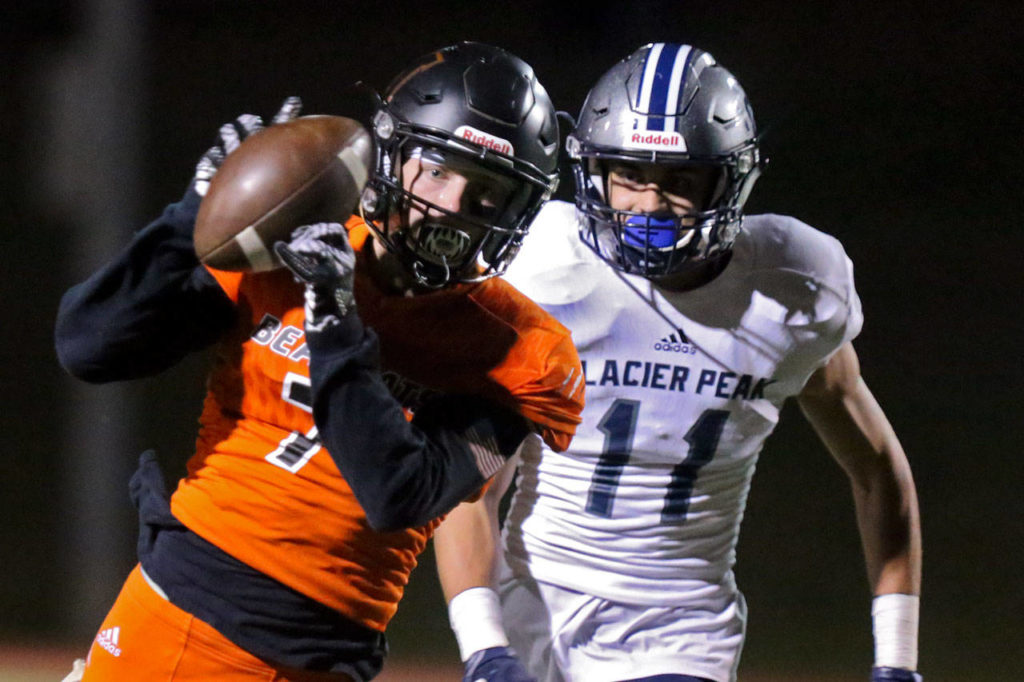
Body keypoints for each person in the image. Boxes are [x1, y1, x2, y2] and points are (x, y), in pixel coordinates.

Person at [55, 42, 583, 682]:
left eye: (489, 194)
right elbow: (90, 345)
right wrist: (193, 215)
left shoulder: (521, 348)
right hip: (184, 612)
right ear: (393, 155)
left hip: (335, 654)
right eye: (439, 170)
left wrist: (334, 316)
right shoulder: (292, 238)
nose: (453, 205)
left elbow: (398, 492)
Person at [434, 43, 923, 682]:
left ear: (732, 181)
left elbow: (877, 469)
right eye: (630, 174)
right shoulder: (541, 269)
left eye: (680, 181)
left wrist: (897, 657)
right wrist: (486, 647)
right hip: (531, 603)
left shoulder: (794, 288)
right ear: (593, 169)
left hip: (679, 632)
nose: (649, 205)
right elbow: (470, 480)